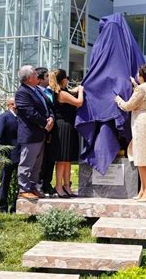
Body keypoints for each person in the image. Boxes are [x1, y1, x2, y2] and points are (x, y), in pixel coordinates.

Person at [115, 64, 146, 202]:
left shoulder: (142, 88)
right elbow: (143, 95)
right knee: (143, 159)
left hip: (142, 125)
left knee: (143, 161)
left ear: (141, 76)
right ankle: (143, 191)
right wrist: (135, 85)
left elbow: (129, 105)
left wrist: (118, 100)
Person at [15, 65, 54, 200]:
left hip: (41, 134)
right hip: (30, 135)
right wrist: (45, 123)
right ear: (29, 78)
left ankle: (33, 187)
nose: (37, 75)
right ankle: (24, 189)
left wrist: (51, 118)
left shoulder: (37, 89)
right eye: (34, 74)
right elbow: (30, 113)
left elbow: (47, 106)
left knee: (37, 165)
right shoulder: (22, 92)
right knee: (27, 164)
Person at [49, 69, 84, 198]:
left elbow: (72, 92)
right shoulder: (61, 94)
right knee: (62, 159)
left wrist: (77, 89)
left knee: (67, 160)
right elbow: (79, 102)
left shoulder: (63, 91)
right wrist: (80, 91)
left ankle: (67, 186)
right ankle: (59, 186)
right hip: (62, 127)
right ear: (63, 80)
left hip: (68, 126)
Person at [0, 97, 20, 213]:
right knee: (5, 183)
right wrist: (1, 156)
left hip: (19, 156)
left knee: (20, 183)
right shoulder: (3, 117)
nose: (18, 105)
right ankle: (3, 208)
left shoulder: (20, 118)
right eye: (15, 103)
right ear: (10, 104)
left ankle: (15, 207)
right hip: (7, 157)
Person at [35, 67, 55, 196]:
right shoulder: (35, 92)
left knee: (50, 158)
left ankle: (47, 183)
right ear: (40, 78)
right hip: (41, 129)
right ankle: (39, 184)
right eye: (47, 76)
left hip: (52, 128)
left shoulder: (50, 92)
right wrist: (45, 122)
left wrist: (52, 118)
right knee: (40, 160)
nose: (50, 78)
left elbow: (52, 108)